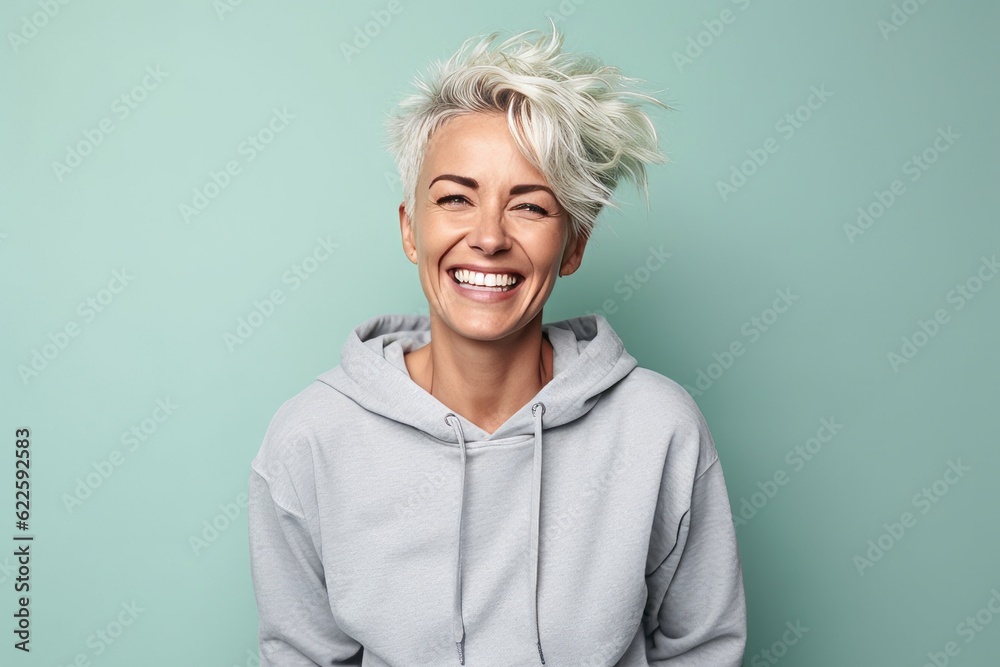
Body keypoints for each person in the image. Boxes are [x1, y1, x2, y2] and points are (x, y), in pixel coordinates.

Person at [248, 20, 746, 666]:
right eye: (456, 198)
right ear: (410, 230)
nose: (488, 236)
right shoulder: (310, 439)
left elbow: (703, 650)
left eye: (530, 206)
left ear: (574, 245)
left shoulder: (658, 428)